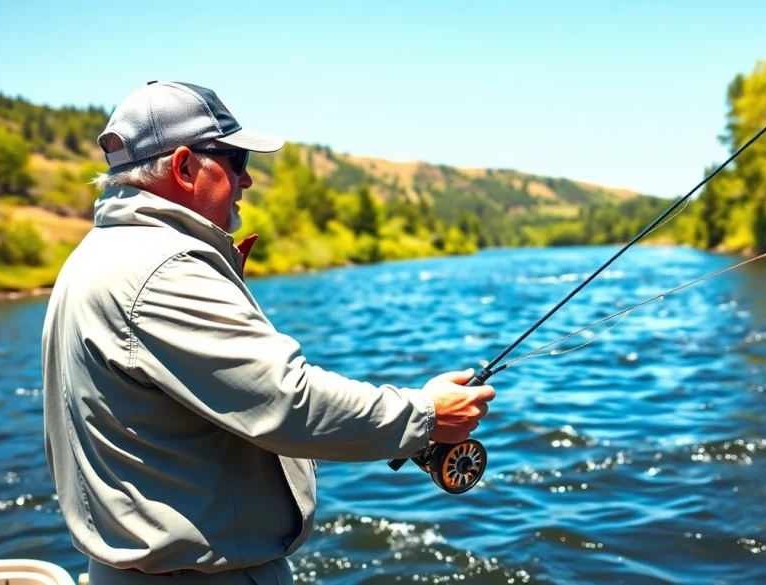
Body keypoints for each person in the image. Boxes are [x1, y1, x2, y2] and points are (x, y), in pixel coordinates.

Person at [40, 81, 495, 585]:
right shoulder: (162, 270)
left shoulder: (96, 256)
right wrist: (426, 416)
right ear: (185, 167)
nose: (247, 180)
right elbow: (289, 403)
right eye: (236, 160)